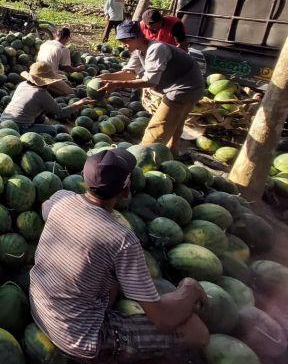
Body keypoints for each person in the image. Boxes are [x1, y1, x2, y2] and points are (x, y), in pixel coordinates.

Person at [29, 148, 209, 363]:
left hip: (38, 308)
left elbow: (45, 207)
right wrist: (189, 288)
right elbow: (162, 319)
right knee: (196, 331)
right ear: (126, 190)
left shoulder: (61, 200)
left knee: (111, 276)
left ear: (84, 179)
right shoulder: (122, 239)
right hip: (78, 338)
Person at [97, 21, 204, 154]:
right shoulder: (139, 51)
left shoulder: (157, 49)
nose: (124, 45)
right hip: (184, 86)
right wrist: (108, 76)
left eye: (125, 41)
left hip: (185, 87)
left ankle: (143, 154)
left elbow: (150, 82)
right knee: (176, 120)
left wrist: (118, 84)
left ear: (136, 37)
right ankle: (172, 151)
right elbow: (129, 73)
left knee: (159, 124)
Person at [0, 62, 93, 134]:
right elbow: (61, 113)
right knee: (56, 130)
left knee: (41, 118)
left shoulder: (22, 84)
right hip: (18, 129)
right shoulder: (41, 94)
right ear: (48, 81)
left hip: (3, 120)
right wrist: (80, 103)